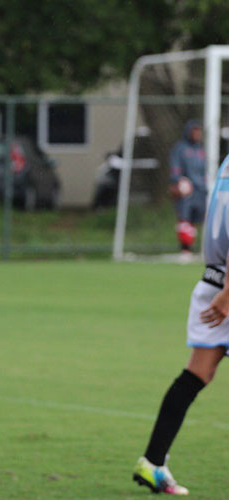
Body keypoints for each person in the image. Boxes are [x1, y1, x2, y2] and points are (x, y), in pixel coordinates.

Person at [131, 152, 229, 495]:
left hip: (211, 282)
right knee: (195, 375)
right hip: (226, 289)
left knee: (196, 375)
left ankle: (153, 462)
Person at [169, 120, 207, 257]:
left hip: (201, 190)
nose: (197, 134)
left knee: (198, 219)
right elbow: (175, 169)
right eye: (194, 131)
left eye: (199, 131)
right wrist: (179, 181)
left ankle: (200, 248)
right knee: (185, 220)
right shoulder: (180, 149)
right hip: (187, 190)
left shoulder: (201, 149)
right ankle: (185, 249)